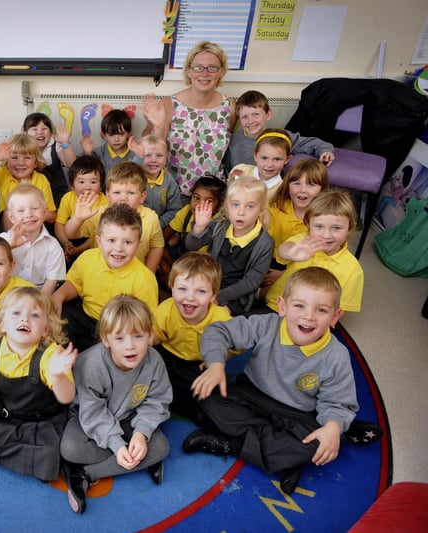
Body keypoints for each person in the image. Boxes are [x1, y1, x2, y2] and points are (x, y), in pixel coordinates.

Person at [184, 267, 379, 494]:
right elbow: (218, 331)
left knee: (318, 444)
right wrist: (217, 364)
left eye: (322, 310)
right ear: (282, 306)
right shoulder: (266, 325)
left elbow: (338, 401)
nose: (309, 316)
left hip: (297, 414)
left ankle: (232, 443)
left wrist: (333, 427)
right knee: (207, 397)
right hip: (251, 395)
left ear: (335, 316)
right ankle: (284, 459)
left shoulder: (336, 356)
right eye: (299, 306)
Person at [60, 295, 171, 514]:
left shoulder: (154, 360)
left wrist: (141, 433)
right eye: (120, 338)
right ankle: (140, 460)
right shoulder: (91, 364)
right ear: (106, 338)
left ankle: (86, 474)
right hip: (89, 420)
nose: (130, 346)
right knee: (70, 448)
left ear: (149, 336)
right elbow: (92, 413)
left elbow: (157, 400)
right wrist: (117, 444)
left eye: (138, 336)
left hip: (130, 418)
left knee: (161, 447)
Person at [0, 286, 77, 481]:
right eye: (16, 313)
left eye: (35, 315)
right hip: (8, 413)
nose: (25, 319)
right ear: (2, 324)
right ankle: (21, 457)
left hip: (41, 419)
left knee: (52, 450)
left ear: (46, 330)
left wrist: (58, 375)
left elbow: (67, 397)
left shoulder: (51, 356)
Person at [52, 203, 159, 351]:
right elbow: (75, 284)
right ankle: (58, 363)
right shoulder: (88, 258)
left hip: (118, 328)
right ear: (99, 241)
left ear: (138, 244)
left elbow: (147, 321)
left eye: (127, 242)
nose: (119, 248)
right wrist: (59, 295)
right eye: (111, 240)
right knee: (58, 320)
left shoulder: (144, 278)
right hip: (85, 317)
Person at [142, 41, 236, 196]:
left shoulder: (230, 107)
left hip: (212, 194)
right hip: (173, 193)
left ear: (221, 71)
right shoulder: (169, 104)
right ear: (189, 71)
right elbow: (151, 150)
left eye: (212, 68)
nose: (204, 73)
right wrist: (157, 126)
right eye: (198, 67)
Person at [151, 252, 232, 424]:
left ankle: (179, 402)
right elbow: (155, 337)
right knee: (148, 368)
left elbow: (234, 348)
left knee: (209, 397)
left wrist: (217, 361)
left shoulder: (222, 319)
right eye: (182, 289)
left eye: (201, 291)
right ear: (171, 287)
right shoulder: (166, 310)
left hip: (199, 364)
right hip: (167, 355)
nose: (190, 298)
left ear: (213, 296)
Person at [265, 189, 364, 312]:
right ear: (308, 224)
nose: (326, 235)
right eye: (319, 226)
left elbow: (338, 311)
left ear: (350, 228)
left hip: (312, 320)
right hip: (277, 306)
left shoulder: (353, 269)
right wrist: (291, 253)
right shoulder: (305, 241)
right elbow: (283, 250)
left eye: (336, 228)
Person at [186, 177, 273, 315]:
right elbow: (191, 246)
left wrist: (218, 297)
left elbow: (251, 282)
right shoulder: (220, 225)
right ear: (227, 206)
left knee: (214, 317)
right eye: (235, 205)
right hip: (207, 283)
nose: (241, 212)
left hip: (236, 297)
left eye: (249, 206)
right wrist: (199, 228)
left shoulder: (265, 243)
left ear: (261, 210)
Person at [65, 161, 164, 274]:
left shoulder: (151, 217)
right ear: (107, 195)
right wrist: (78, 219)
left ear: (142, 196)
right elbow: (70, 234)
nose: (123, 198)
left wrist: (149, 273)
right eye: (117, 192)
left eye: (130, 193)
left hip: (134, 277)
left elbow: (156, 246)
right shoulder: (99, 213)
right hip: (100, 274)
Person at [222, 89, 334, 173]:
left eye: (256, 114)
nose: (250, 121)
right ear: (239, 119)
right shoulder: (234, 139)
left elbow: (310, 143)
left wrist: (325, 150)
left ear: (268, 114)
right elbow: (227, 166)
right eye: (244, 117)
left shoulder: (279, 137)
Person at [262, 158, 330, 291]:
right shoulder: (276, 207)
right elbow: (265, 243)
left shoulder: (322, 220)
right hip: (271, 260)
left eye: (311, 185)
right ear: (287, 184)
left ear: (322, 189)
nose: (302, 190)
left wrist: (284, 274)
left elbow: (317, 259)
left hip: (301, 267)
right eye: (297, 183)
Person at [0, 133, 57, 229]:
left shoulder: (41, 180)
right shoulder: (3, 173)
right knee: (9, 211)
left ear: (36, 163)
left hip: (33, 226)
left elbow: (52, 216)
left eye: (27, 158)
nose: (20, 163)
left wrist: (38, 215)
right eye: (14, 157)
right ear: (6, 162)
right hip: (8, 228)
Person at [0, 184, 66, 295]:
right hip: (8, 295)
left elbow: (51, 282)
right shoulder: (3, 241)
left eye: (34, 208)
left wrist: (39, 305)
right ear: (11, 217)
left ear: (45, 212)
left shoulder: (53, 246)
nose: (28, 215)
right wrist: (9, 246)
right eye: (20, 211)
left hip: (39, 296)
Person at [161, 176, 226, 285]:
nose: (199, 205)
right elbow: (161, 238)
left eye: (209, 201)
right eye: (196, 198)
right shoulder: (187, 211)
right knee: (157, 250)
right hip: (182, 257)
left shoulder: (219, 223)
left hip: (203, 267)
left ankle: (174, 281)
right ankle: (173, 277)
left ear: (218, 205)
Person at [53, 155, 108, 264]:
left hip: (93, 241)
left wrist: (78, 250)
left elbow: (98, 235)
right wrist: (65, 242)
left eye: (93, 182)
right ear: (72, 185)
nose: (87, 187)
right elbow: (59, 224)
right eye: (81, 182)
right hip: (70, 236)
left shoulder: (105, 201)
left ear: (101, 185)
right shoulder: (68, 198)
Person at [22, 112, 77, 208]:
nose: (40, 132)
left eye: (44, 129)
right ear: (25, 133)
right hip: (33, 192)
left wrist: (65, 143)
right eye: (34, 129)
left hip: (57, 192)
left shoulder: (55, 145)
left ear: (51, 132)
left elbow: (71, 164)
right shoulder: (22, 148)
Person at [130, 134, 183, 228]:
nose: (154, 160)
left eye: (159, 155)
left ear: (166, 158)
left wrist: (159, 224)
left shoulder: (170, 182)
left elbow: (174, 209)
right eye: (147, 155)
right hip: (134, 225)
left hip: (159, 226)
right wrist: (138, 158)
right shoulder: (133, 176)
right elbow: (127, 171)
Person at [228, 128, 293, 203]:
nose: (269, 165)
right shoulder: (240, 170)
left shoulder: (282, 190)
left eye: (277, 159)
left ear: (287, 159)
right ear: (255, 155)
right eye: (264, 158)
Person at [81, 108, 135, 176]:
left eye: (121, 134)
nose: (116, 139)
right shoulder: (98, 153)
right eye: (111, 135)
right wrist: (88, 154)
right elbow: (71, 165)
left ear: (129, 134)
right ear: (104, 136)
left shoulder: (136, 153)